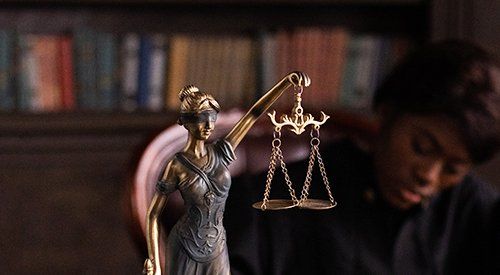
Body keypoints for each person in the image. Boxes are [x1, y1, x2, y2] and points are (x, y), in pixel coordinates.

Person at [224, 40, 500, 274]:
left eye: (452, 168)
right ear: (387, 113)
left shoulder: (474, 210)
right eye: (421, 148)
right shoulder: (281, 194)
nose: (428, 176)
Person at [143, 73, 311, 275]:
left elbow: (253, 113)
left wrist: (285, 83)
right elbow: (153, 214)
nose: (208, 126)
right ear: (186, 122)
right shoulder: (177, 165)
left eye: (212, 118)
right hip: (186, 245)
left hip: (217, 245)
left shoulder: (221, 152)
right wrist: (155, 264)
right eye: (201, 119)